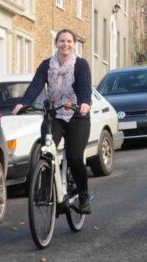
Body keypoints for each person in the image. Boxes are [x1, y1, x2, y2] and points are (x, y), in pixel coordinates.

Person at [12, 29, 93, 214]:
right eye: (62, 41)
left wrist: (85, 103)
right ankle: (48, 191)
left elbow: (84, 87)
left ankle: (83, 195)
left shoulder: (80, 65)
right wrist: (24, 103)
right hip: (54, 115)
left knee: (74, 157)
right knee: (46, 152)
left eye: (69, 41)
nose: (66, 44)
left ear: (74, 45)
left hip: (77, 115)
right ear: (56, 43)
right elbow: (35, 86)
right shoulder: (47, 65)